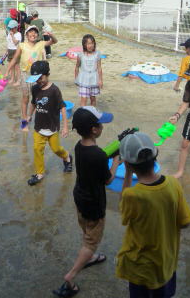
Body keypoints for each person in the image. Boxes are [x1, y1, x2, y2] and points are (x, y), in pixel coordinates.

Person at [116, 132, 190, 298]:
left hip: (140, 266)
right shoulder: (173, 183)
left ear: (128, 164)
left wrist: (128, 174)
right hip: (166, 262)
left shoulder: (133, 195)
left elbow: (124, 212)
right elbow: (185, 222)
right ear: (155, 156)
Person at [53, 106, 119, 298]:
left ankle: (89, 256)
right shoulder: (98, 155)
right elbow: (108, 180)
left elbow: (95, 160)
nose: (102, 127)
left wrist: (107, 156)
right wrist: (116, 161)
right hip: (94, 204)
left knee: (86, 229)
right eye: (100, 124)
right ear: (94, 130)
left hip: (80, 198)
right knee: (91, 241)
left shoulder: (79, 147)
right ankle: (71, 275)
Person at [25, 60, 72, 186]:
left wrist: (65, 127)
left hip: (52, 127)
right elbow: (33, 103)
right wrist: (28, 116)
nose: (38, 81)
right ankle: (40, 173)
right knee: (37, 149)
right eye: (36, 79)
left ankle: (67, 157)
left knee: (56, 149)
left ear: (47, 74)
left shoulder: (54, 90)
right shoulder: (35, 89)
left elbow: (62, 107)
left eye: (40, 78)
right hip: (39, 127)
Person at [5, 25, 57, 130]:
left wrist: (51, 35)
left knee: (38, 99)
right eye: (30, 32)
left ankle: (31, 116)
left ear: (37, 35)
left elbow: (54, 41)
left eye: (35, 33)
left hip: (37, 77)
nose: (33, 34)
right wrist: (7, 71)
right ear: (27, 35)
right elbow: (15, 59)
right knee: (25, 98)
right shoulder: (22, 45)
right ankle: (24, 121)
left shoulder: (41, 44)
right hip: (25, 75)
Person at [74, 34, 103, 107]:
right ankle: (83, 115)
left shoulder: (97, 54)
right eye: (88, 43)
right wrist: (76, 78)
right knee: (83, 99)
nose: (90, 45)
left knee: (93, 98)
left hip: (94, 79)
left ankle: (92, 115)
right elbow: (77, 67)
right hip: (83, 80)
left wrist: (100, 80)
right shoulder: (80, 55)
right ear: (84, 44)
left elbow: (99, 68)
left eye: (92, 43)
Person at [5, 20, 22, 85]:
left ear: (16, 27)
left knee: (17, 67)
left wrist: (12, 36)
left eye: (12, 28)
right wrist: (6, 51)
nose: (11, 29)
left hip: (16, 51)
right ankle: (12, 79)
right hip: (10, 50)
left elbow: (15, 42)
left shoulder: (18, 34)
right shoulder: (9, 34)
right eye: (10, 28)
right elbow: (9, 43)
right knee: (11, 66)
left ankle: (18, 80)